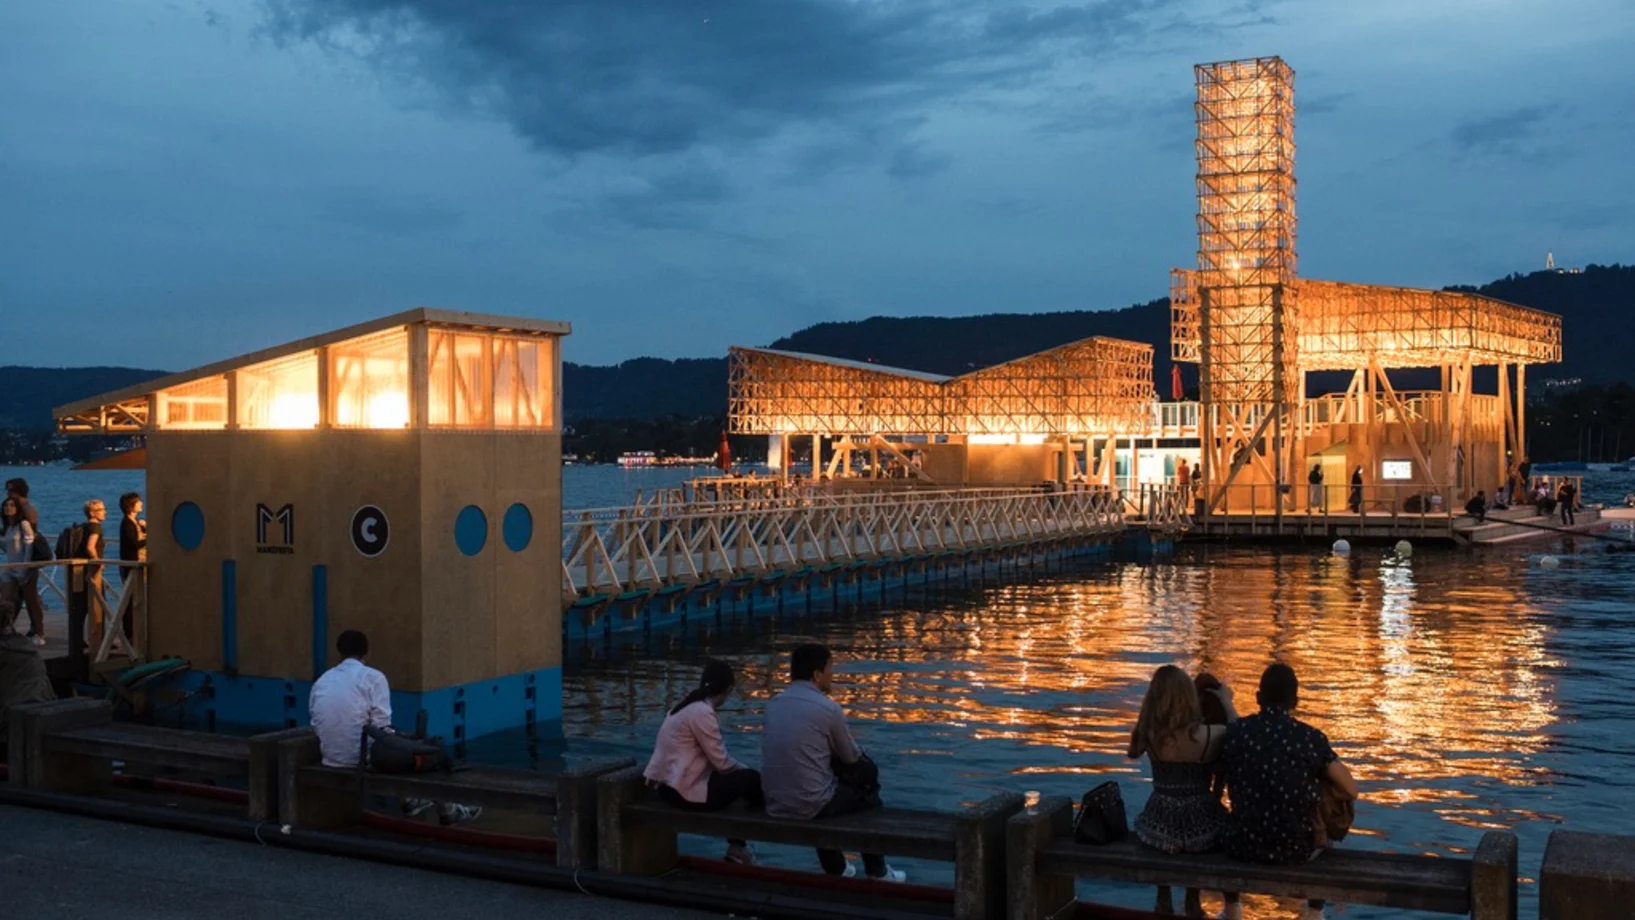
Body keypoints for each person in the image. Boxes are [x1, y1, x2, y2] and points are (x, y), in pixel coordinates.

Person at [1219, 664, 1359, 920]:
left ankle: (1231, 910)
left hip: (1243, 843)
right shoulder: (1310, 738)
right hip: (1296, 848)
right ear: (1295, 701)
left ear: (1258, 697)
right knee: (1327, 808)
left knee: (1237, 807)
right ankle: (1314, 912)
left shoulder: (1238, 733)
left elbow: (1235, 725)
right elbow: (1351, 790)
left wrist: (1226, 701)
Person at [762, 644, 906, 882]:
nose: (833, 674)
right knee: (868, 791)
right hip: (810, 805)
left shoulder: (773, 705)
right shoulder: (828, 708)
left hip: (775, 800)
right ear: (817, 675)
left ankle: (837, 868)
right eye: (830, 668)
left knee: (819, 779)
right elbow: (851, 757)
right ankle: (877, 871)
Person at [309, 630, 480, 826]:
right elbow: (382, 727)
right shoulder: (373, 677)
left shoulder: (322, 681)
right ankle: (448, 810)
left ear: (339, 652)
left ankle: (410, 800)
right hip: (364, 760)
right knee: (428, 751)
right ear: (367, 652)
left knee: (399, 745)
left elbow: (316, 723)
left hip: (332, 758)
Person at [1128, 665, 1241, 919]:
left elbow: (1132, 751)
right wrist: (1225, 700)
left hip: (1160, 820)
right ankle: (1193, 899)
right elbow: (1241, 733)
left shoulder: (1150, 735)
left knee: (1164, 841)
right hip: (1200, 822)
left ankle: (1163, 898)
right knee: (1211, 827)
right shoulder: (1207, 736)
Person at [644, 659, 763, 865]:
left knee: (737, 783)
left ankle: (738, 845)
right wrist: (747, 771)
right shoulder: (703, 713)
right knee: (751, 780)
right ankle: (746, 839)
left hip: (666, 787)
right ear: (727, 689)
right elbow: (722, 763)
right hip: (682, 793)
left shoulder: (682, 707)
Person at [4, 479, 45, 646]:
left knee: (30, 598)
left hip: (26, 563)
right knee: (12, 598)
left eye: (10, 490)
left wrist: (26, 565)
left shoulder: (26, 512)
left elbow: (29, 540)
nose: (8, 494)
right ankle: (9, 629)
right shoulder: (11, 521)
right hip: (14, 564)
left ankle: (38, 631)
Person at [0, 498, 35, 635]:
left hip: (22, 566)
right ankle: (6, 628)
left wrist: (25, 566)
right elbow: (7, 548)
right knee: (6, 600)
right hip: (10, 567)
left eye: (12, 505)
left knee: (31, 601)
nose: (8, 508)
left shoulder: (23, 524)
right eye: (6, 505)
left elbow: (29, 544)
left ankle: (37, 631)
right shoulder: (8, 527)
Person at [117, 493, 147, 645]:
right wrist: (150, 536)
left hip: (139, 565)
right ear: (131, 506)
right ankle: (130, 633)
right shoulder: (127, 524)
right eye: (138, 502)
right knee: (130, 599)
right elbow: (134, 544)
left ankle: (137, 630)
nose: (141, 503)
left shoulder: (135, 522)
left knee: (137, 598)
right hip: (131, 566)